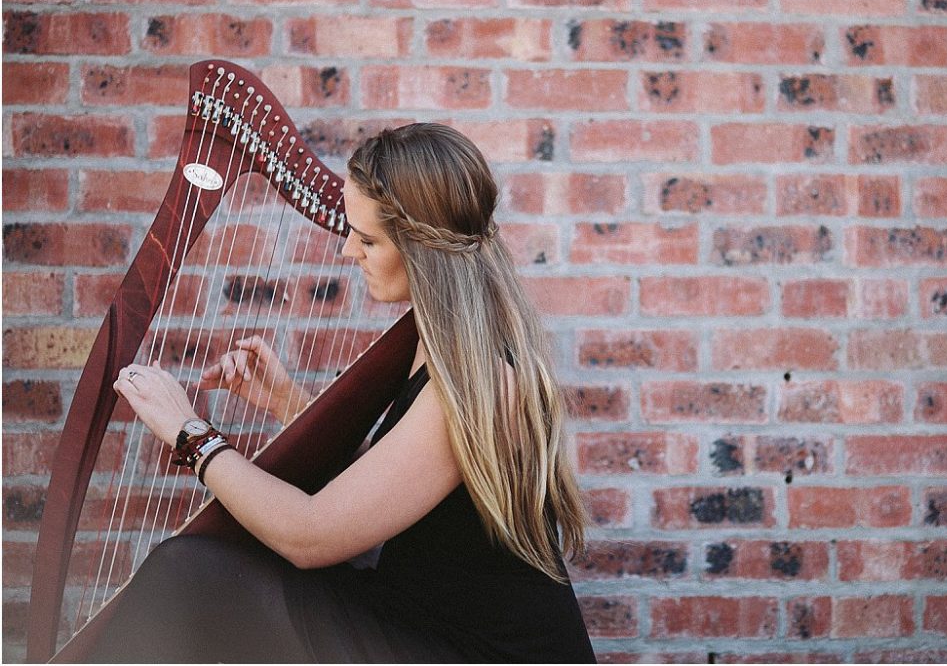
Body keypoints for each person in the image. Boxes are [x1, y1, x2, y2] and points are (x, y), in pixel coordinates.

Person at [91, 123, 597, 663]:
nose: (347, 249)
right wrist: (288, 402)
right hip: (415, 621)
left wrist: (189, 433)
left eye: (368, 239)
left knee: (187, 572)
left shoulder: (482, 382)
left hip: (471, 650)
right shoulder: (445, 343)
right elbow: (402, 482)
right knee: (197, 573)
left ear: (423, 248)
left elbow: (310, 537)